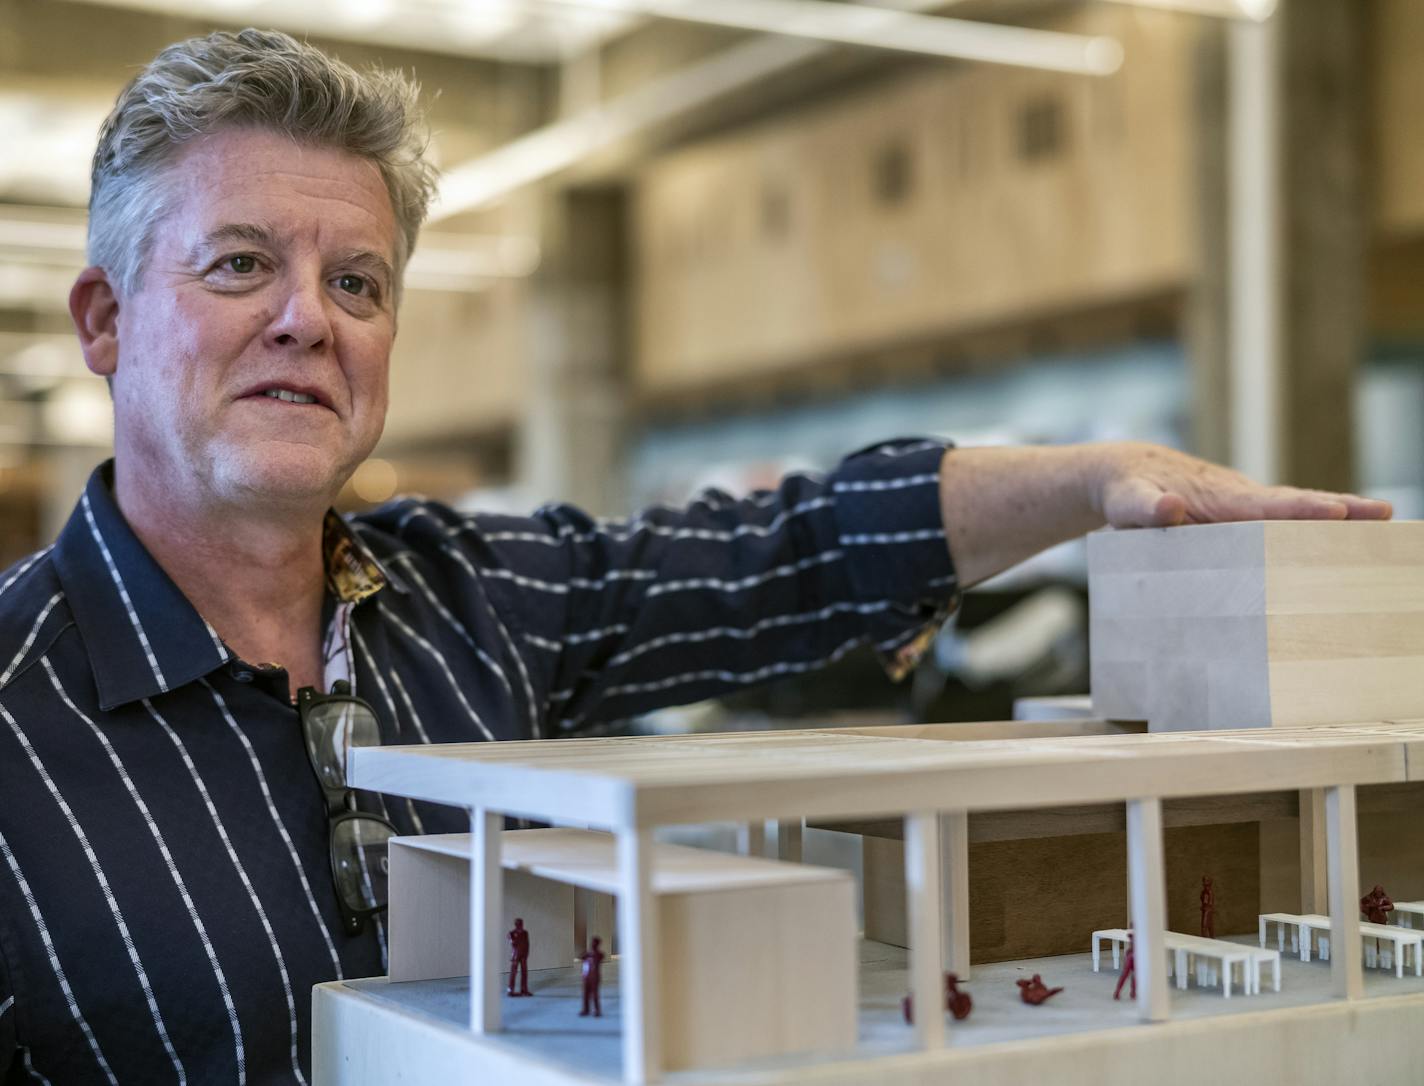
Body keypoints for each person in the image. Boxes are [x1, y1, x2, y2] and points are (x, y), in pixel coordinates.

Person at [0, 27, 1390, 1086]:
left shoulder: (473, 601)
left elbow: (781, 555)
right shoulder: (19, 717)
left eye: (357, 281)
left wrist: (1094, 482)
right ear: (106, 318)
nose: (311, 319)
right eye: (239, 265)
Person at [508, 918, 532, 997]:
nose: (520, 925)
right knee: (513, 973)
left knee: (524, 973)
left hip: (523, 955)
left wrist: (526, 953)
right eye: (518, 924)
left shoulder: (525, 933)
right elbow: (512, 942)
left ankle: (524, 989)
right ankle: (510, 990)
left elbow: (527, 943)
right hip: (515, 955)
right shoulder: (512, 933)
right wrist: (512, 939)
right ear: (516, 924)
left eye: (521, 923)